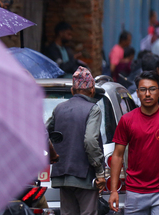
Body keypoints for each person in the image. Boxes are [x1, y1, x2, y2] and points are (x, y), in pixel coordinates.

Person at [109, 71, 159, 213]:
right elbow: (117, 155)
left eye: (152, 89)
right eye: (143, 90)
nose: (147, 94)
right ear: (137, 93)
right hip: (134, 192)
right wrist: (114, 190)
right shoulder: (127, 120)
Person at [45, 67, 106, 214]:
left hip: (63, 175)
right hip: (84, 175)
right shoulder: (93, 109)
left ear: (72, 91)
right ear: (92, 90)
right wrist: (99, 172)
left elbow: (41, 132)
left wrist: (51, 153)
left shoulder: (59, 108)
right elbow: (90, 141)